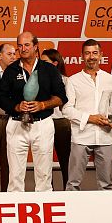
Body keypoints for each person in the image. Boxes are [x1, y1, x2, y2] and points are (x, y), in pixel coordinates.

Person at [0, 32, 67, 192]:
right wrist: (16, 106)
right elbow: (0, 97)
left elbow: (61, 97)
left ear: (36, 47)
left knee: (44, 175)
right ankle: (14, 212)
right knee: (15, 176)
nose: (23, 49)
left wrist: (43, 105)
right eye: (20, 46)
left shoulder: (49, 69)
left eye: (27, 45)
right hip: (16, 123)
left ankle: (45, 212)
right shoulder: (11, 70)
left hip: (42, 124)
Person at [62, 39, 112, 191]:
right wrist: (90, 118)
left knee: (106, 184)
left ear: (101, 55)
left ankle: (107, 214)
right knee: (73, 183)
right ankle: (73, 213)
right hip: (81, 137)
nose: (91, 57)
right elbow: (67, 109)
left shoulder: (111, 80)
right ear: (82, 56)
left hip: (105, 136)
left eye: (95, 53)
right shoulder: (73, 80)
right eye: (87, 53)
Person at [40, 48, 71, 190]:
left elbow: (68, 104)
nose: (41, 64)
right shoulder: (38, 80)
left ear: (54, 63)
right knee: (45, 161)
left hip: (61, 124)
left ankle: (68, 191)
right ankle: (48, 191)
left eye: (44, 61)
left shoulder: (66, 80)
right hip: (44, 121)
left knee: (66, 161)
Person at [0, 43, 17, 191]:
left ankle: (6, 194)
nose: (13, 57)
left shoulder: (17, 72)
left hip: (12, 120)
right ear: (0, 55)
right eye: (9, 54)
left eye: (15, 54)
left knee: (9, 161)